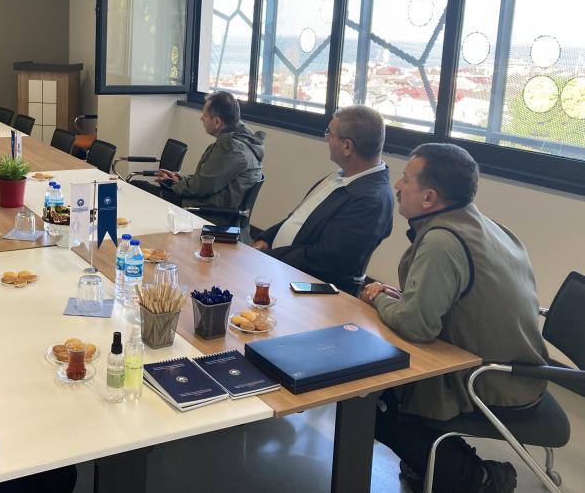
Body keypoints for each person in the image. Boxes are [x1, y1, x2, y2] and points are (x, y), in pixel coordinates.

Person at [360, 143, 548, 493]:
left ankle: (478, 477)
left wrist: (377, 298)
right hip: (522, 368)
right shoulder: (486, 225)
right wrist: (404, 300)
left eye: (406, 179)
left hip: (490, 379)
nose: (397, 185)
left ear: (429, 197)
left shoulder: (442, 241)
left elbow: (417, 326)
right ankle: (437, 463)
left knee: (371, 401)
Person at [252, 105, 393, 293]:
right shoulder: (341, 176)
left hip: (308, 288)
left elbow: (325, 260)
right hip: (281, 267)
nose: (326, 138)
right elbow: (298, 218)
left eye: (330, 133)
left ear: (347, 146)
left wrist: (269, 256)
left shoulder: (371, 200)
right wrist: (266, 238)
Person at [134, 90, 264, 225]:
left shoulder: (232, 149)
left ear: (217, 122)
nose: (201, 118)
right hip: (210, 206)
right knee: (143, 188)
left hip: (208, 212)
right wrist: (179, 179)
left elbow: (201, 186)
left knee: (139, 187)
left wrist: (173, 184)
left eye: (205, 115)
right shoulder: (241, 143)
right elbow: (206, 180)